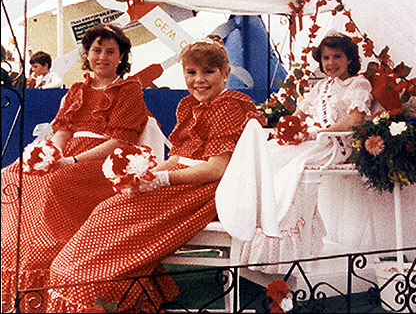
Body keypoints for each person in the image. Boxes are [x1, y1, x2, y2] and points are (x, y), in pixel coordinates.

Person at [40, 35, 267, 312]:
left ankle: (94, 286)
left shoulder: (230, 104)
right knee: (109, 208)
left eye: (209, 72)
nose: (199, 80)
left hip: (205, 188)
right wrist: (144, 174)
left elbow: (216, 169)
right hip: (182, 179)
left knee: (121, 216)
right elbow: (176, 158)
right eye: (191, 72)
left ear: (226, 73)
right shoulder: (187, 105)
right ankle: (95, 285)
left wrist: (162, 179)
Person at [1, 24, 151, 313]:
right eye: (97, 50)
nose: (102, 57)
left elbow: (120, 141)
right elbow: (63, 131)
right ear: (87, 53)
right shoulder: (78, 89)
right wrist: (49, 153)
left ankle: (50, 262)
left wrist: (70, 161)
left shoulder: (128, 90)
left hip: (104, 160)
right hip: (68, 153)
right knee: (12, 176)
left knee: (55, 183)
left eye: (110, 51)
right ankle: (15, 258)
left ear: (121, 56)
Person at [215, 32, 374, 273]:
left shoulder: (357, 84)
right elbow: (299, 116)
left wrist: (318, 131)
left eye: (337, 56)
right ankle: (255, 223)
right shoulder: (321, 86)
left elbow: (354, 121)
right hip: (315, 139)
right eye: (326, 58)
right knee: (269, 153)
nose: (330, 63)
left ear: (349, 59)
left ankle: (283, 233)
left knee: (290, 165)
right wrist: (290, 129)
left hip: (335, 143)